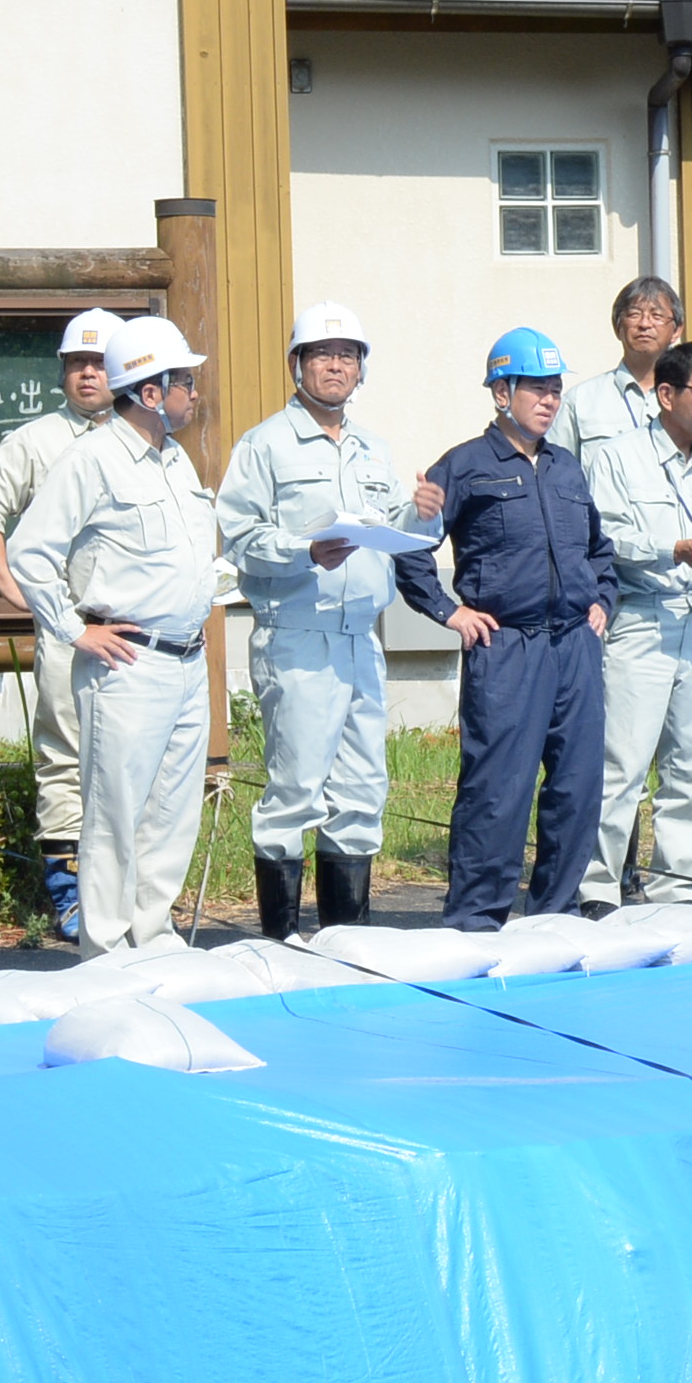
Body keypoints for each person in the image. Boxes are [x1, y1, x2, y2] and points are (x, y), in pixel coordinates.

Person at [215, 302, 442, 937]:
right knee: (295, 790)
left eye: (348, 355)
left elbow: (396, 526)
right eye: (322, 354)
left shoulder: (374, 449)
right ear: (296, 366)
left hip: (361, 638)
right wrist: (303, 550)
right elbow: (238, 535)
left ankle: (349, 938)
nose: (336, 364)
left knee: (363, 789)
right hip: (298, 634)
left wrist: (422, 511)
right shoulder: (264, 444)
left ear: (362, 371)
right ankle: (282, 941)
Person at [5, 315, 221, 956]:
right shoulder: (92, 458)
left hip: (186, 660)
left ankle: (151, 934)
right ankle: (103, 948)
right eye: (183, 379)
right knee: (115, 814)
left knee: (172, 811)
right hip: (128, 662)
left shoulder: (174, 457)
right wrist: (75, 630)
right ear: (150, 392)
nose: (193, 391)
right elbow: (30, 552)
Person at [396, 329, 615, 930]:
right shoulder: (463, 466)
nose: (549, 401)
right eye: (536, 390)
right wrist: (448, 611)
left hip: (573, 647)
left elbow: (600, 551)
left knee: (577, 788)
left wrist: (603, 600)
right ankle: (475, 920)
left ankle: (556, 916)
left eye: (555, 390)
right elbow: (411, 548)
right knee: (499, 790)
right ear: (501, 392)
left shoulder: (567, 468)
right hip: (507, 648)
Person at [0, 306, 124, 940]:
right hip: (68, 627)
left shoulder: (147, 436)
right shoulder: (35, 440)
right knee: (65, 760)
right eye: (77, 363)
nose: (88, 374)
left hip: (137, 633)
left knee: (133, 760)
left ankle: (123, 891)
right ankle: (69, 896)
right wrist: (22, 597)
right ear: (61, 372)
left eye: (99, 363)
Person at [582, 339, 692, 912]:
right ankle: (596, 889)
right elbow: (603, 540)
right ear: (666, 394)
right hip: (643, 620)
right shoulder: (618, 456)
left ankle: (675, 891)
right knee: (620, 766)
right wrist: (672, 549)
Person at [563, 277, 684, 469]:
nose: (645, 324)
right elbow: (558, 477)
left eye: (657, 316)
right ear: (617, 327)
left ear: (676, 330)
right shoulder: (579, 400)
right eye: (634, 314)